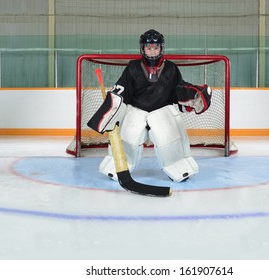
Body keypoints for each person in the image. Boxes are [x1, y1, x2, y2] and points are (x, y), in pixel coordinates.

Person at [88, 29, 212, 182]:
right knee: (128, 137)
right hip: (136, 112)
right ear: (143, 49)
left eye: (155, 47)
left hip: (162, 112)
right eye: (148, 48)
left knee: (170, 138)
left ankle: (179, 166)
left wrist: (192, 95)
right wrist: (109, 111)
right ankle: (118, 165)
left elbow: (179, 89)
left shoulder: (171, 68)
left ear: (161, 48)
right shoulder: (133, 67)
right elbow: (121, 90)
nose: (152, 51)